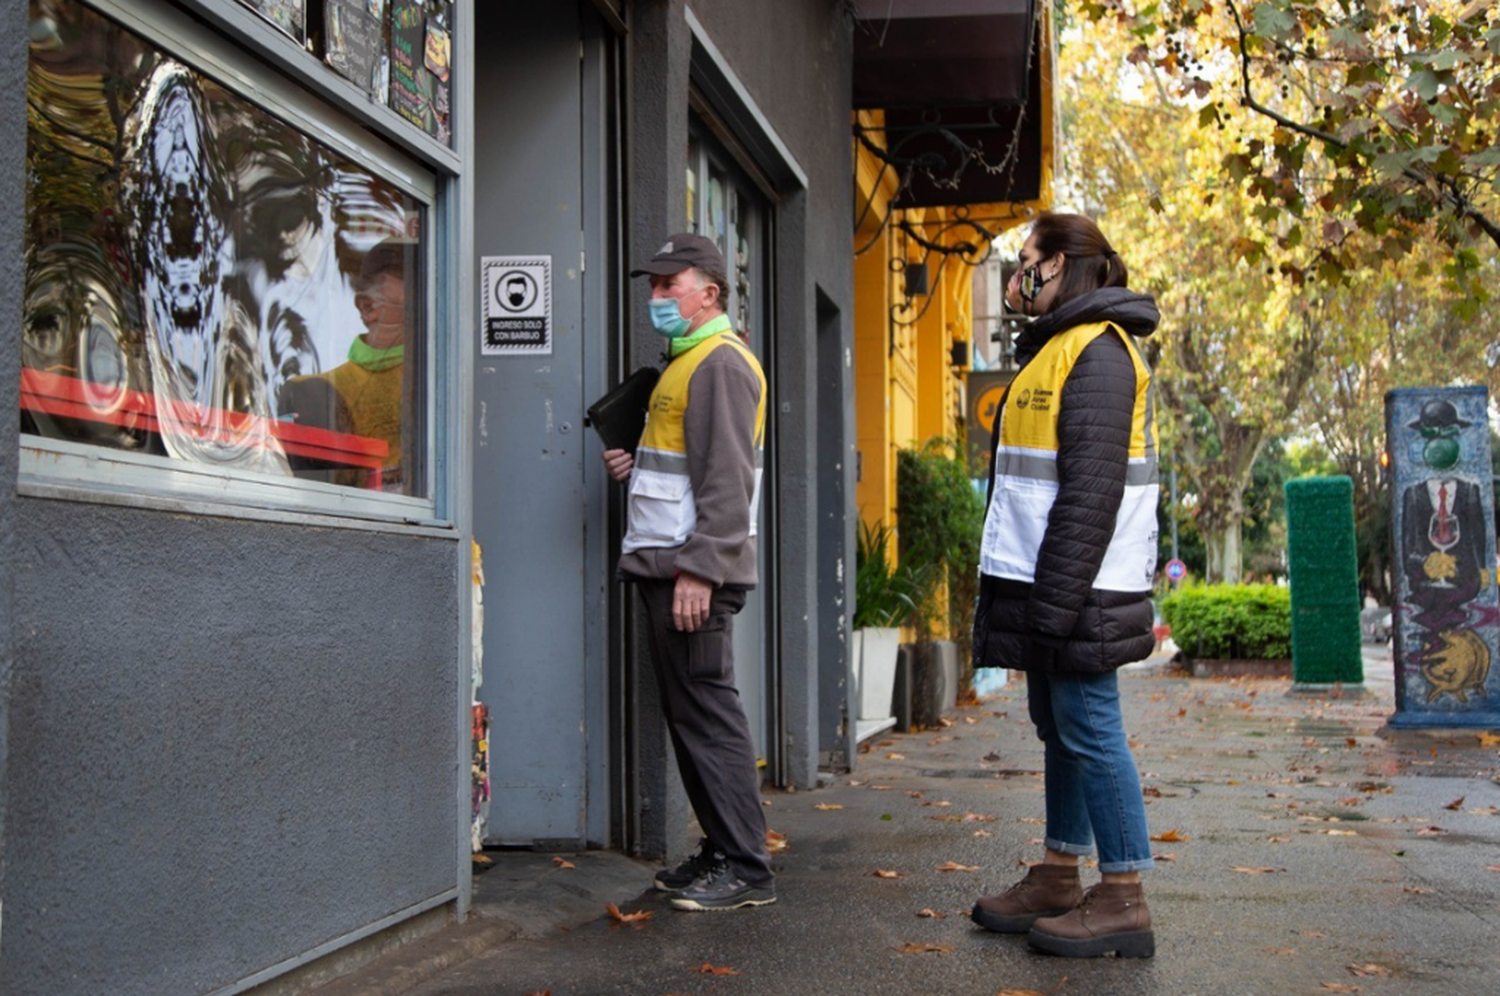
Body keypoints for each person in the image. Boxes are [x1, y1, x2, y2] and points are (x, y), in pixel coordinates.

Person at [969, 213, 1161, 958]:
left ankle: (1122, 896)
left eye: (1029, 261)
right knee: (1063, 732)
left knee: (1092, 729)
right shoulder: (1059, 348)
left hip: (1084, 588)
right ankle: (1058, 872)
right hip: (1053, 582)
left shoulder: (1100, 355)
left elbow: (1089, 494)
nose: (1020, 276)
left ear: (1064, 266)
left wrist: (1055, 602)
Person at [601, 233, 774, 912]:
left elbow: (729, 482)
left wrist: (701, 571)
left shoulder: (721, 364)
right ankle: (722, 846)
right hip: (669, 567)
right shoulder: (685, 361)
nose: (656, 296)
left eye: (669, 285)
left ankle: (747, 867)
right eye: (652, 285)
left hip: (692, 575)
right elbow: (683, 467)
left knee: (708, 714)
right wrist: (634, 464)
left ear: (709, 291)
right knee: (690, 713)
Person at [279, 237, 416, 491]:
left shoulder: (448, 377)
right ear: (367, 306)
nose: (427, 287)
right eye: (409, 278)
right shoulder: (310, 392)